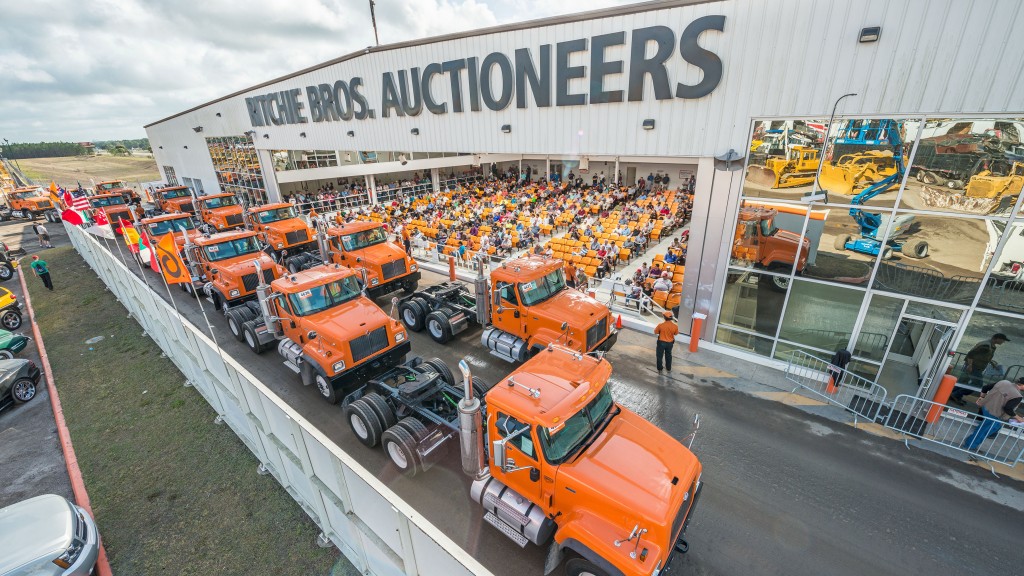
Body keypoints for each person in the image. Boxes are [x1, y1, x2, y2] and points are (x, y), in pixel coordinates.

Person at [961, 377, 1024, 455]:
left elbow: (985, 388)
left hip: (985, 407)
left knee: (994, 427)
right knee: (984, 430)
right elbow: (1008, 409)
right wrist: (1019, 418)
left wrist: (982, 398)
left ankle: (971, 440)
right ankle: (969, 445)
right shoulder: (1017, 396)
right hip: (994, 414)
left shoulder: (1003, 382)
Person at [951, 333, 1009, 405]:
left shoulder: (990, 345)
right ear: (997, 338)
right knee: (977, 385)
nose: (1003, 342)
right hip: (974, 367)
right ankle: (956, 394)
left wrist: (991, 362)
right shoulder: (986, 345)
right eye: (1003, 340)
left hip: (974, 366)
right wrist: (970, 365)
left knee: (963, 381)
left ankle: (952, 394)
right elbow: (971, 354)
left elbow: (982, 355)